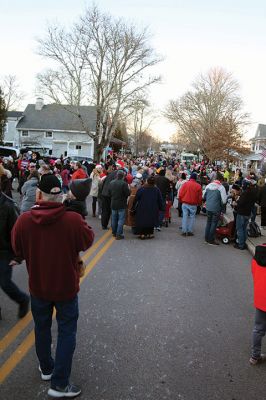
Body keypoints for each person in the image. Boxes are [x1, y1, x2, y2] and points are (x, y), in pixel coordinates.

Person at [11, 174, 94, 398]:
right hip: (66, 287)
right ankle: (59, 384)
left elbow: (16, 249)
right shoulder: (73, 219)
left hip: (38, 286)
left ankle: (46, 368)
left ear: (38, 194)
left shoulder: (24, 221)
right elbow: (88, 240)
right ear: (61, 195)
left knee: (42, 327)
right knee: (67, 332)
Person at [0, 181, 29, 319]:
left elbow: (17, 233)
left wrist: (18, 256)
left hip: (5, 251)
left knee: (5, 282)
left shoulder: (7, 206)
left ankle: (22, 299)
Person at [250, 244, 266, 365]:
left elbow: (254, 275)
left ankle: (255, 357)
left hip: (260, 299)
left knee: (258, 329)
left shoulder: (256, 258)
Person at [134, 175, 163, 239]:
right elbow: (160, 199)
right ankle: (150, 233)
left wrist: (133, 206)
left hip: (142, 207)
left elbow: (136, 198)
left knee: (142, 220)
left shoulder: (142, 188)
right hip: (153, 207)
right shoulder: (156, 189)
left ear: (147, 181)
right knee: (151, 220)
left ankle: (142, 234)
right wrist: (161, 207)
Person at [203, 173, 227, 245]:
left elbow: (204, 196)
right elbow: (224, 201)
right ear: (221, 180)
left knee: (208, 222)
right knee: (214, 223)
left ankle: (206, 238)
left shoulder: (208, 186)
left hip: (208, 207)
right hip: (216, 208)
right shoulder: (221, 188)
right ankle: (211, 239)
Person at [234, 179, 258, 250]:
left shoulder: (245, 193)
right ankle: (243, 243)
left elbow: (241, 203)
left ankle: (241, 244)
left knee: (240, 229)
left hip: (242, 213)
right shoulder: (253, 192)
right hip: (248, 213)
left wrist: (236, 203)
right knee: (244, 228)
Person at [178, 172, 202, 236]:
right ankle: (190, 231)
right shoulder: (198, 186)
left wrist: (180, 200)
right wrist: (199, 203)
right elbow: (200, 197)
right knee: (192, 217)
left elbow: (180, 193)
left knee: (185, 216)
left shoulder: (185, 184)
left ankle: (184, 230)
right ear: (196, 178)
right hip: (193, 204)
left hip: (185, 202)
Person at [108, 170, 130, 240]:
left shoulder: (111, 182)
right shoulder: (124, 183)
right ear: (123, 176)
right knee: (121, 219)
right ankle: (118, 234)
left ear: (117, 175)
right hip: (121, 203)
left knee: (114, 219)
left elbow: (109, 193)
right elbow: (127, 193)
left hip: (113, 203)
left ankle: (114, 232)